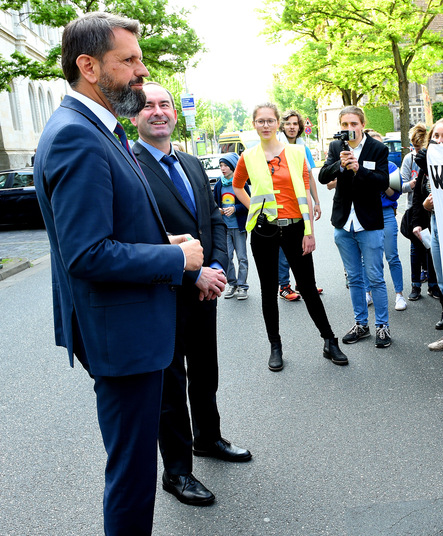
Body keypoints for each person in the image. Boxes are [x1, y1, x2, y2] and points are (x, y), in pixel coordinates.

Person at [33, 12, 203, 535]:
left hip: (129, 333)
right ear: (88, 66)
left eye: (140, 60)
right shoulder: (76, 136)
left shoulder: (98, 130)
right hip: (122, 340)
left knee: (132, 468)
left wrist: (160, 241)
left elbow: (111, 228)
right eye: (128, 61)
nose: (141, 72)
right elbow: (87, 255)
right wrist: (177, 259)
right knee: (131, 475)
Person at [131, 82, 252, 507]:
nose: (159, 112)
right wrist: (193, 273)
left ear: (176, 115)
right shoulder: (130, 167)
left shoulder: (191, 163)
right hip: (163, 295)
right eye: (148, 106)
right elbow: (139, 239)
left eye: (165, 104)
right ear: (134, 116)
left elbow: (215, 219)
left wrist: (217, 267)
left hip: (206, 290)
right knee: (170, 386)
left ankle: (208, 439)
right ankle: (178, 471)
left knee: (205, 372)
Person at [233, 102, 348, 371]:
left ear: (278, 124)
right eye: (260, 121)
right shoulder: (248, 156)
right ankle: (275, 346)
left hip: (296, 228)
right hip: (264, 230)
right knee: (268, 290)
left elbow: (305, 190)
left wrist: (309, 231)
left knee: (307, 288)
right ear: (254, 124)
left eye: (270, 120)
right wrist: (255, 208)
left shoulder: (296, 152)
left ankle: (329, 341)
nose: (265, 125)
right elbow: (237, 186)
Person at [319, 106, 392, 348]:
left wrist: (359, 170)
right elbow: (322, 177)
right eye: (345, 125)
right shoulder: (335, 147)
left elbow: (383, 182)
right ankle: (361, 324)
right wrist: (339, 166)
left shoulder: (377, 148)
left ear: (362, 124)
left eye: (353, 124)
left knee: (375, 277)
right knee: (354, 278)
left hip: (368, 221)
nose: (349, 129)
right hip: (343, 221)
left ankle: (383, 327)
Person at [411, 118, 443, 355]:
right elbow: (420, 195)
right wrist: (427, 207)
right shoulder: (430, 164)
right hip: (436, 223)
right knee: (442, 283)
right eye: (435, 138)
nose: (439, 142)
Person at [277, 109, 323, 300]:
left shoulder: (303, 147)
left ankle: (302, 283)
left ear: (300, 126)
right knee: (283, 246)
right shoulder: (276, 146)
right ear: (282, 125)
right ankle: (283, 286)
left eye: (295, 124)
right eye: (288, 123)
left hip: (300, 203)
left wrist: (317, 201)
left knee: (303, 241)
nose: (292, 127)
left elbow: (309, 175)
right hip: (283, 203)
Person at [364, 130, 407, 311]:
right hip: (366, 213)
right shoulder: (361, 165)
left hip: (386, 212)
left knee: (392, 255)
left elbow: (395, 194)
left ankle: (399, 295)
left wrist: (381, 181)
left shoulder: (390, 167)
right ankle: (368, 292)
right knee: (369, 258)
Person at [399, 123, 439, 301]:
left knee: (431, 249)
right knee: (416, 249)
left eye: (420, 147)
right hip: (414, 210)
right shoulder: (409, 159)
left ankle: (433, 284)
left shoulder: (433, 158)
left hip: (430, 212)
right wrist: (412, 184)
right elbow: (400, 185)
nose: (417, 152)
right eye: (414, 148)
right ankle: (415, 285)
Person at [214, 153, 251, 300]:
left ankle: (242, 286)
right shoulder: (218, 185)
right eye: (221, 166)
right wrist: (219, 210)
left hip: (239, 226)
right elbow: (214, 204)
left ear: (233, 166)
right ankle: (232, 283)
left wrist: (235, 208)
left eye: (225, 165)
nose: (223, 168)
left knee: (242, 257)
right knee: (227, 257)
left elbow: (249, 204)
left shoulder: (241, 184)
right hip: (224, 227)